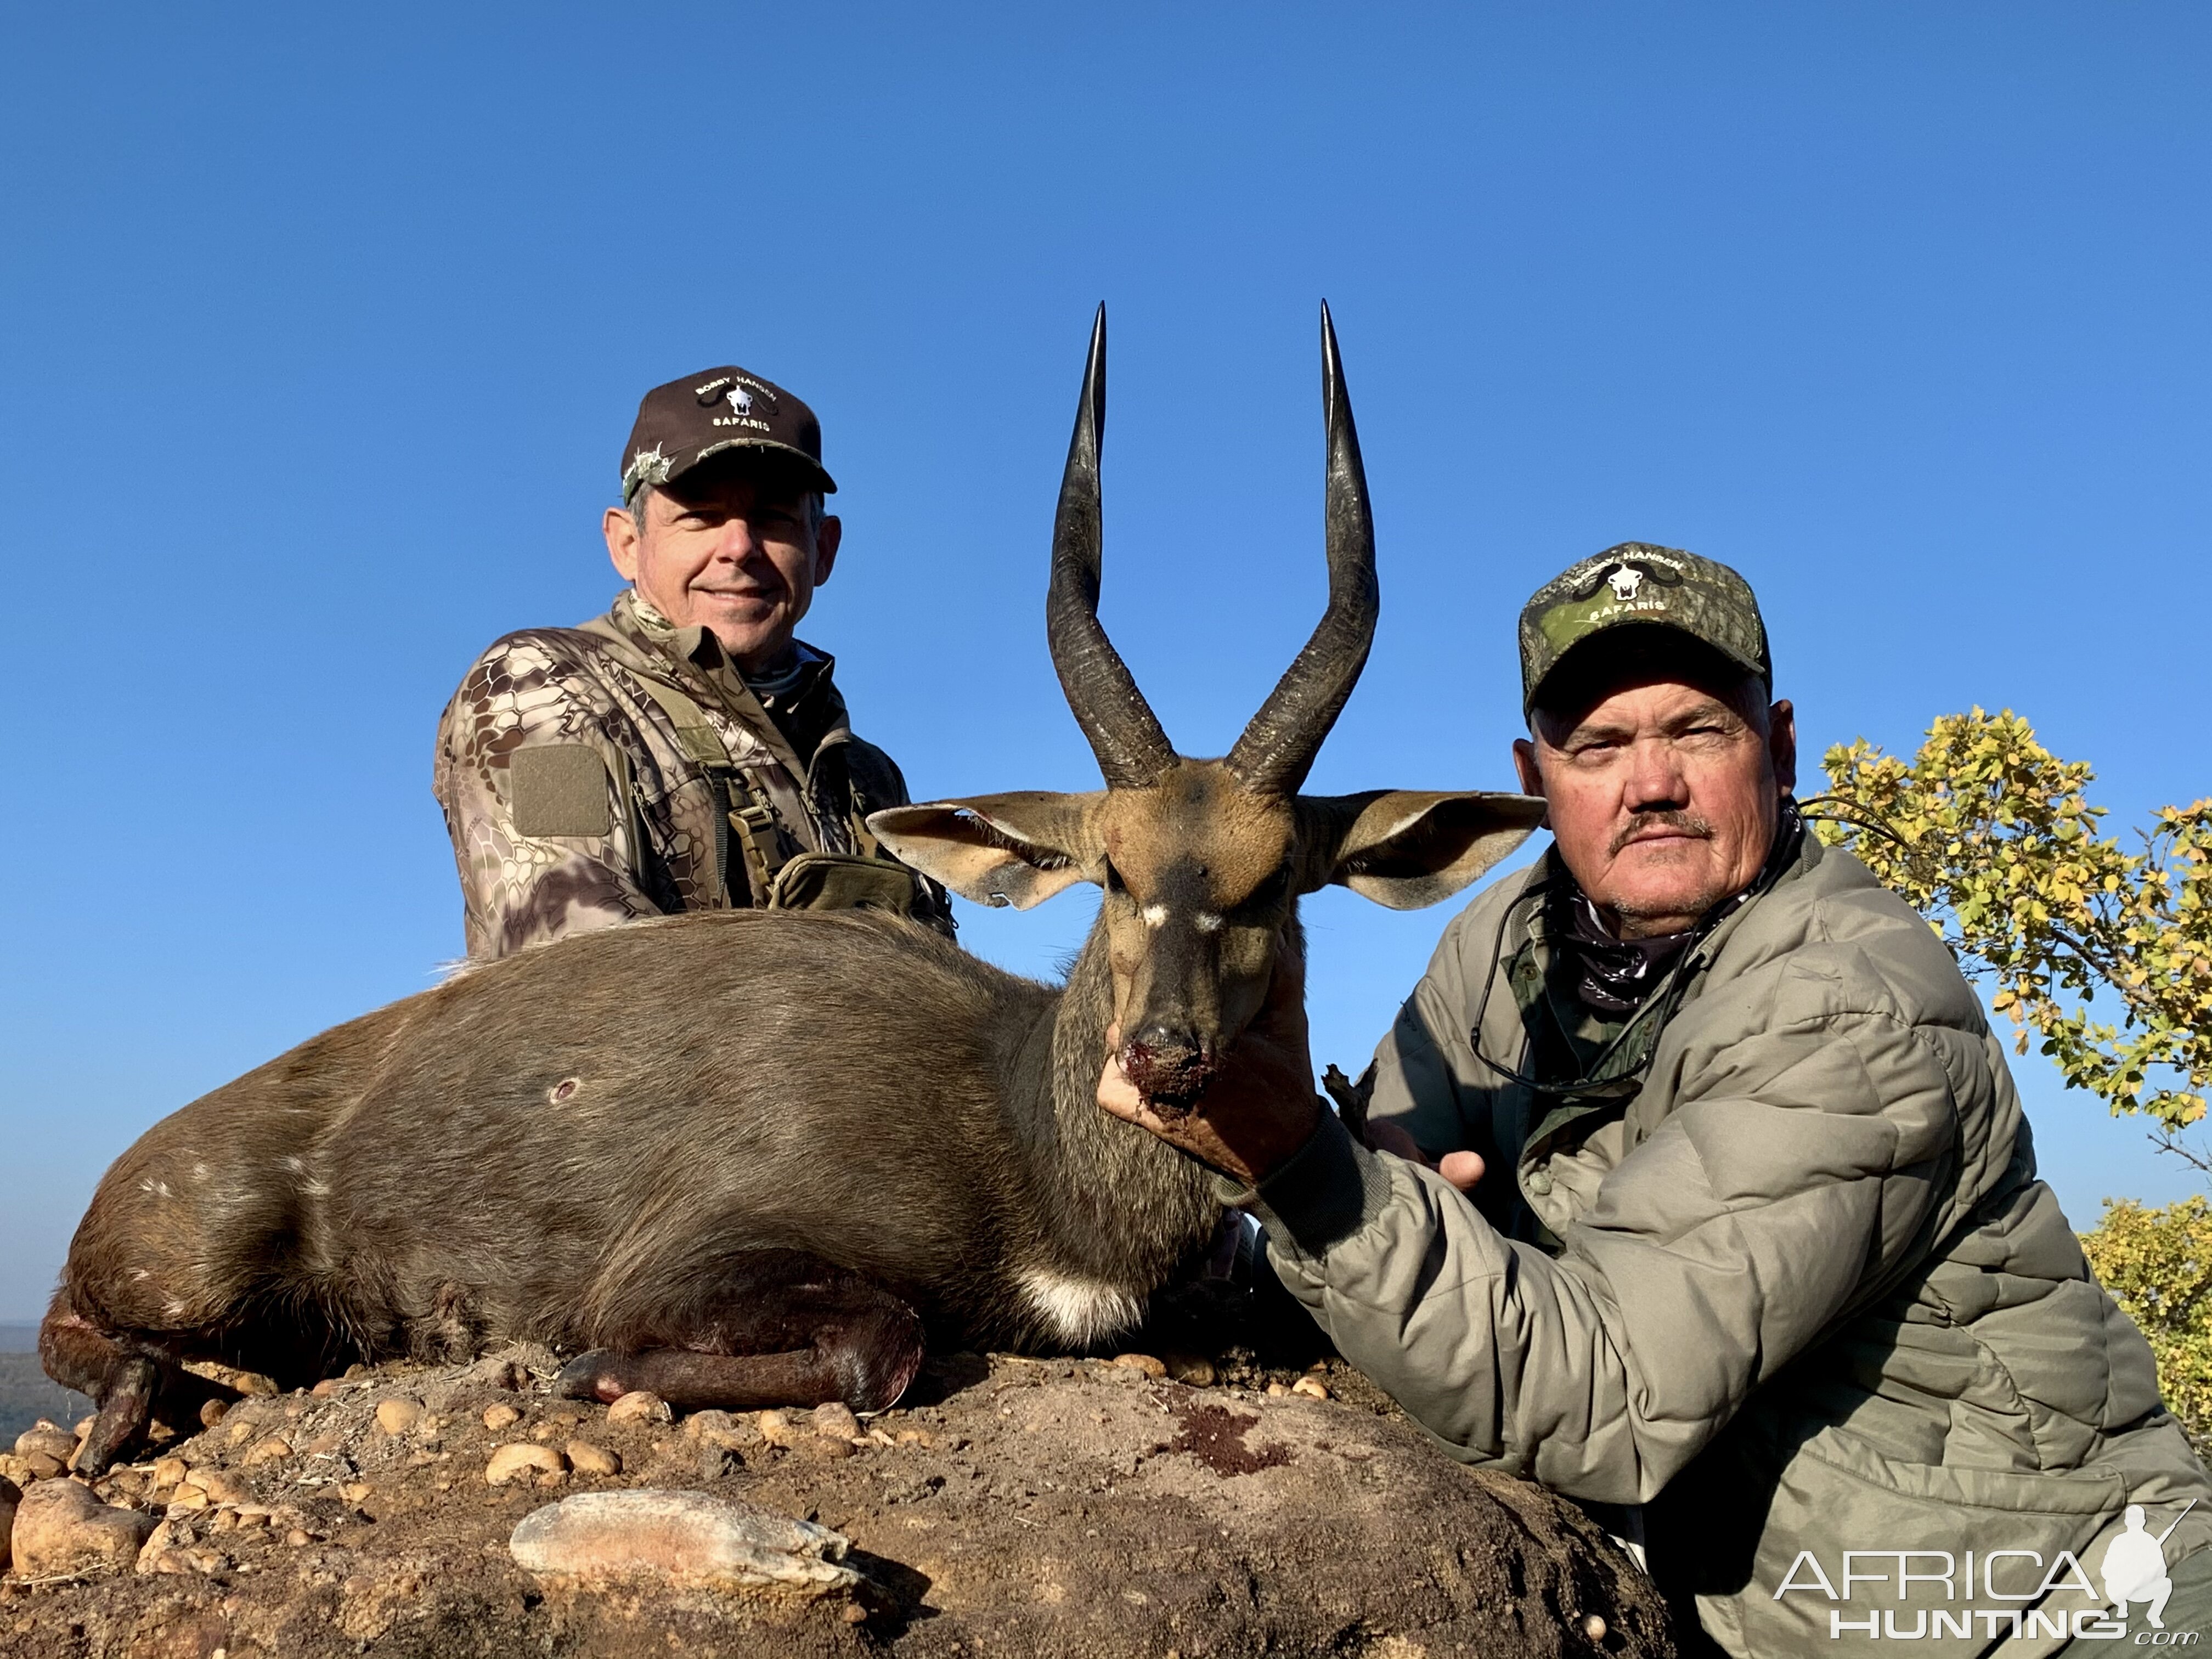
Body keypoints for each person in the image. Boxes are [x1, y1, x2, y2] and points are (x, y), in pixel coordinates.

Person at [1100, 543, 2212, 1654]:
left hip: (2040, 1613)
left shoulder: (1853, 1004)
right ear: (1536, 784)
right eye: (1599, 746)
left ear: (1776, 748)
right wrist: (1330, 1187)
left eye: (1697, 730)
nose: (1651, 784)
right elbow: (1382, 1181)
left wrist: (1308, 1169)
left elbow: (1610, 1398)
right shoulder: (1506, 942)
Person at [434, 364, 953, 960]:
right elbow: (579, 970)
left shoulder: (867, 778)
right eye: (699, 516)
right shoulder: (537, 688)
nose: (738, 547)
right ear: (626, 543)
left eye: (774, 519)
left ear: (824, 549)